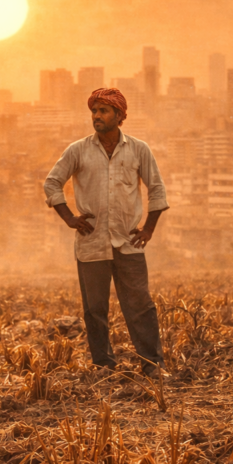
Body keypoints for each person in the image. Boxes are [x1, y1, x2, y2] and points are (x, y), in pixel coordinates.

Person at [43, 88, 169, 377]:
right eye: (94, 111)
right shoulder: (78, 150)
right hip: (92, 243)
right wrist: (69, 218)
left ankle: (152, 367)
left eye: (103, 111)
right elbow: (52, 184)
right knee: (95, 311)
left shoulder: (139, 149)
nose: (96, 116)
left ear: (120, 116)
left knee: (141, 308)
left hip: (128, 242)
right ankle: (103, 366)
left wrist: (149, 228)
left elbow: (157, 189)